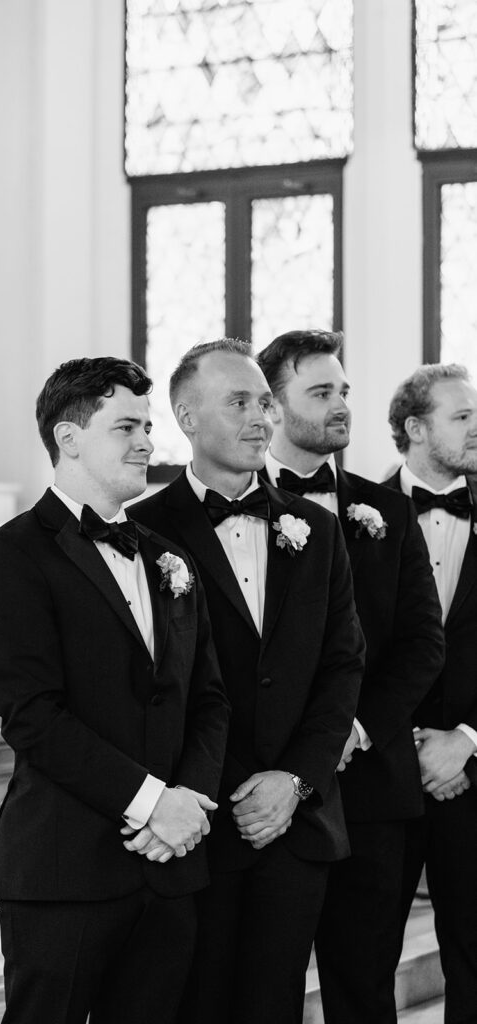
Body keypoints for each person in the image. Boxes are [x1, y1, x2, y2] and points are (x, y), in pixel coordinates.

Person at [0, 356, 230, 1024]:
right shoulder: (15, 554)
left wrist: (188, 806)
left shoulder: (170, 557)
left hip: (170, 867)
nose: (148, 442)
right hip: (64, 870)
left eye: (148, 426)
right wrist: (152, 805)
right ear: (69, 438)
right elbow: (33, 717)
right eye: (127, 427)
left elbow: (208, 698)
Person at [130, 338, 365, 1024]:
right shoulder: (142, 531)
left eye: (265, 401)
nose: (261, 417)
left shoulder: (317, 531)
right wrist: (224, 787)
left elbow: (341, 664)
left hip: (297, 821)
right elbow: (153, 685)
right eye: (239, 402)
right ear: (186, 416)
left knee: (275, 1005)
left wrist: (294, 780)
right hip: (196, 822)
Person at [256, 330, 444, 1024]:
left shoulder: (389, 511)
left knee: (364, 987)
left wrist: (353, 731)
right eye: (320, 392)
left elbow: (423, 645)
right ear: (271, 408)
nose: (341, 406)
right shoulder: (237, 513)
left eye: (344, 392)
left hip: (372, 789)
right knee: (261, 983)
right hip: (265, 790)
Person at [386, 363, 477, 1024]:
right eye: (462, 416)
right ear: (416, 428)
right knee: (362, 952)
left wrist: (468, 739)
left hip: (474, 775)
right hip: (377, 777)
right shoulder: (356, 513)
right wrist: (403, 741)